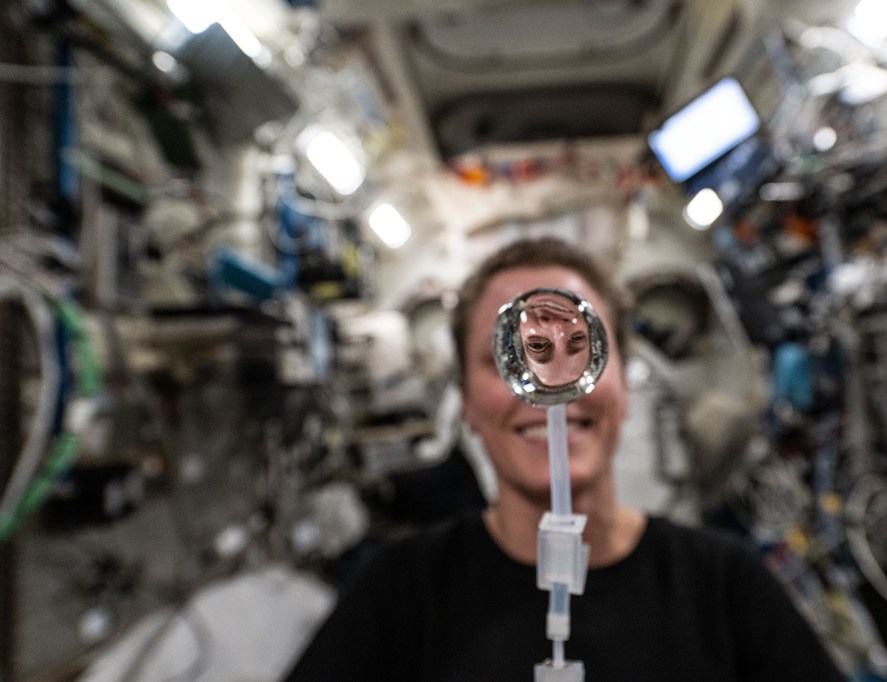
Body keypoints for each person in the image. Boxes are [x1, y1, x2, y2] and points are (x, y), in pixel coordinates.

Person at [283, 236, 847, 682]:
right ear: (466, 403)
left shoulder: (726, 589)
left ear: (626, 385)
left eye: (579, 348)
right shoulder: (399, 596)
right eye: (509, 357)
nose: (550, 386)